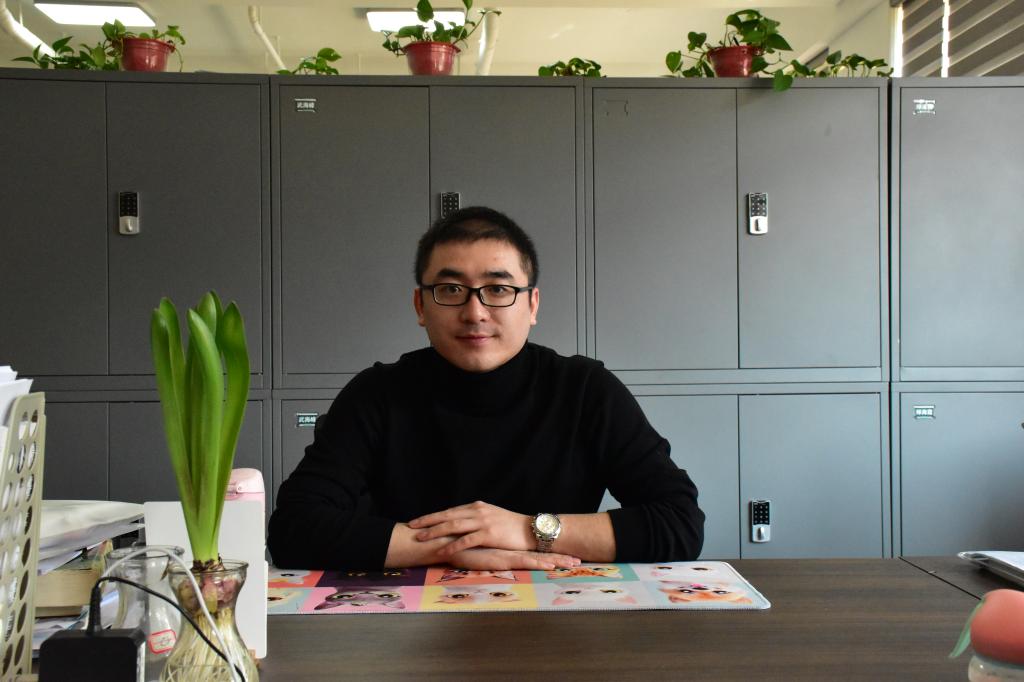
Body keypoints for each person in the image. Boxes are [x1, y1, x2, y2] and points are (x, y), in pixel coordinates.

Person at [268, 206, 704, 570]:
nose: (475, 312)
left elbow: (680, 522)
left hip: (558, 621)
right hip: (405, 627)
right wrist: (454, 548)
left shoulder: (586, 390)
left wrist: (525, 530)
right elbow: (293, 529)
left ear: (532, 304)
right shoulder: (377, 393)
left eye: (498, 289)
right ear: (420, 305)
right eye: (450, 289)